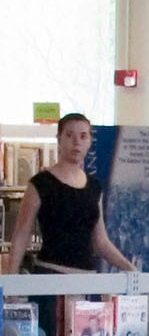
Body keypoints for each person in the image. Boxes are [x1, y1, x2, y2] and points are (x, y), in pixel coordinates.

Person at [4, 112, 137, 277]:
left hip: (86, 280)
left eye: (83, 136)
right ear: (59, 139)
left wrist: (130, 269)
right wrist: (11, 282)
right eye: (69, 135)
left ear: (89, 142)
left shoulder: (94, 187)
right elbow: (21, 235)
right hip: (49, 276)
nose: (76, 143)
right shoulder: (40, 183)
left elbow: (101, 242)